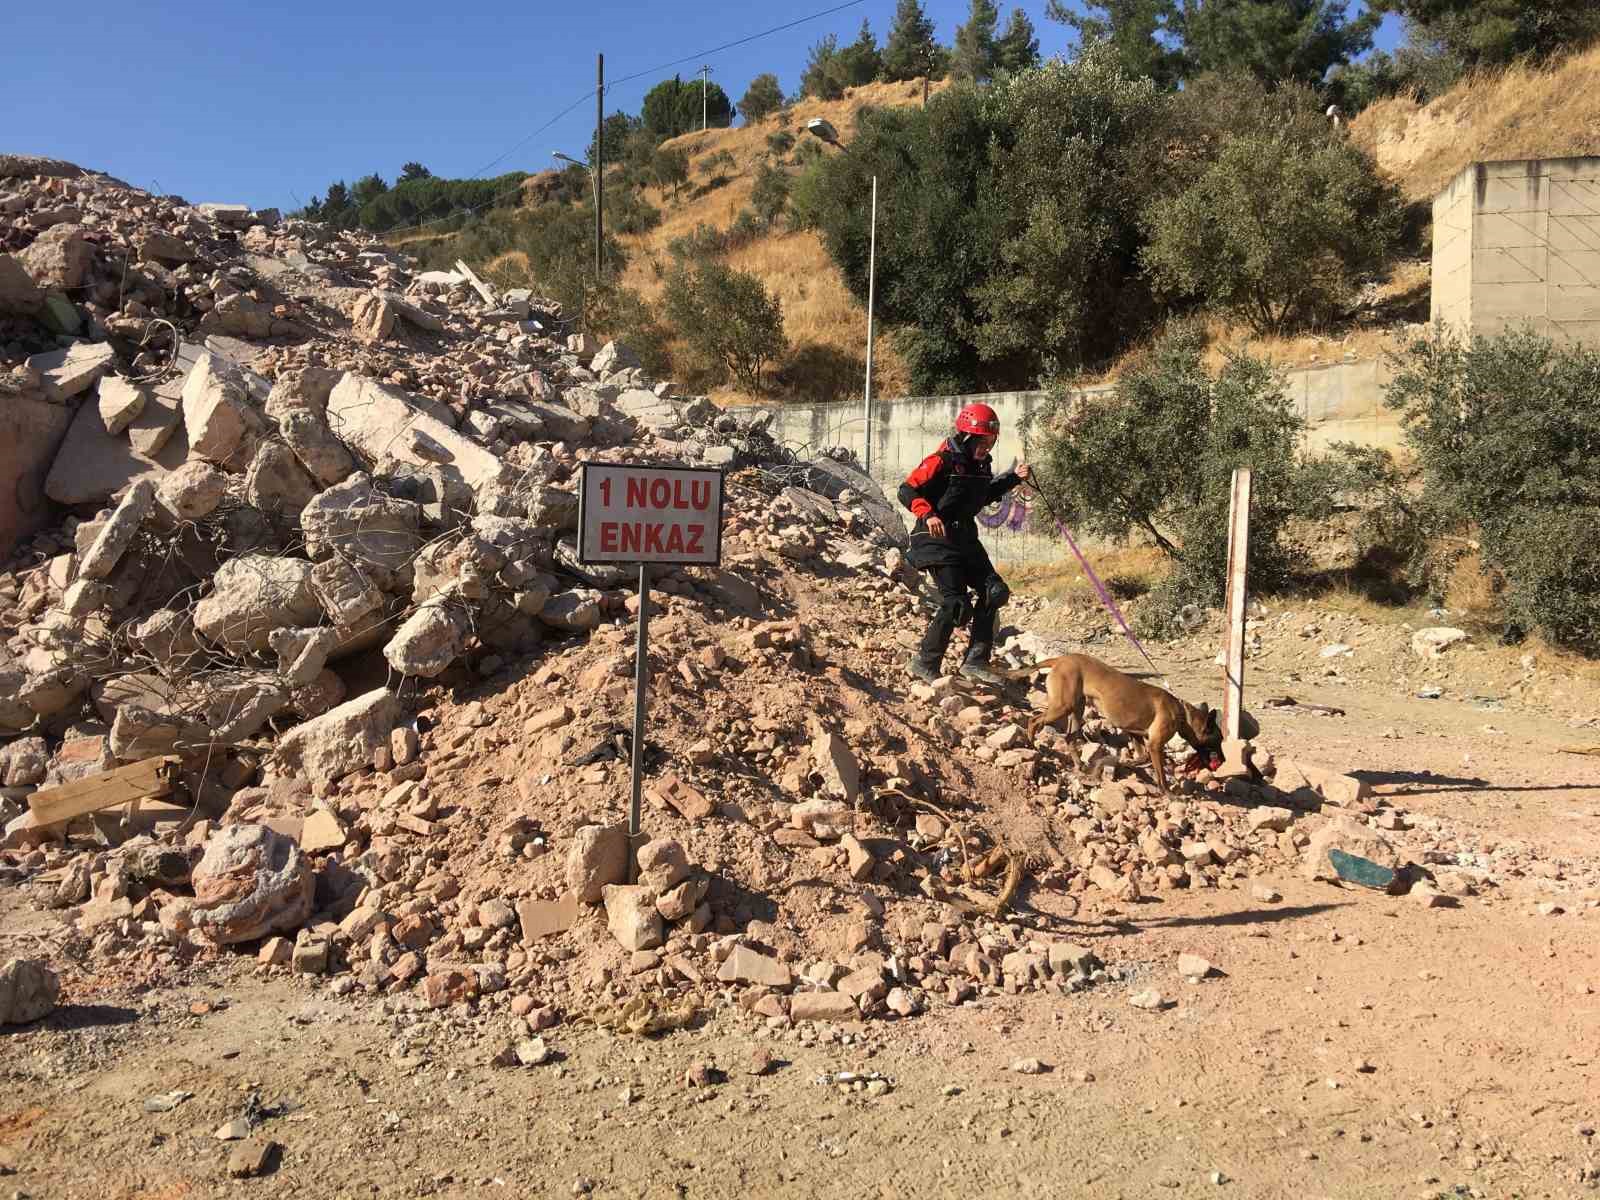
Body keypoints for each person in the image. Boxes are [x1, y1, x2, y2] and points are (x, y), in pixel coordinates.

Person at [898, 402, 1030, 684]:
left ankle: (975, 663)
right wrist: (928, 513)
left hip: (966, 537)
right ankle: (924, 662)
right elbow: (907, 489)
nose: (987, 445)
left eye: (991, 440)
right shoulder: (941, 460)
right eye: (983, 440)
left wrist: (1012, 479)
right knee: (957, 604)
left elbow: (982, 497)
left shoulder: (981, 466)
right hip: (935, 537)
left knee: (994, 591)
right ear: (968, 437)